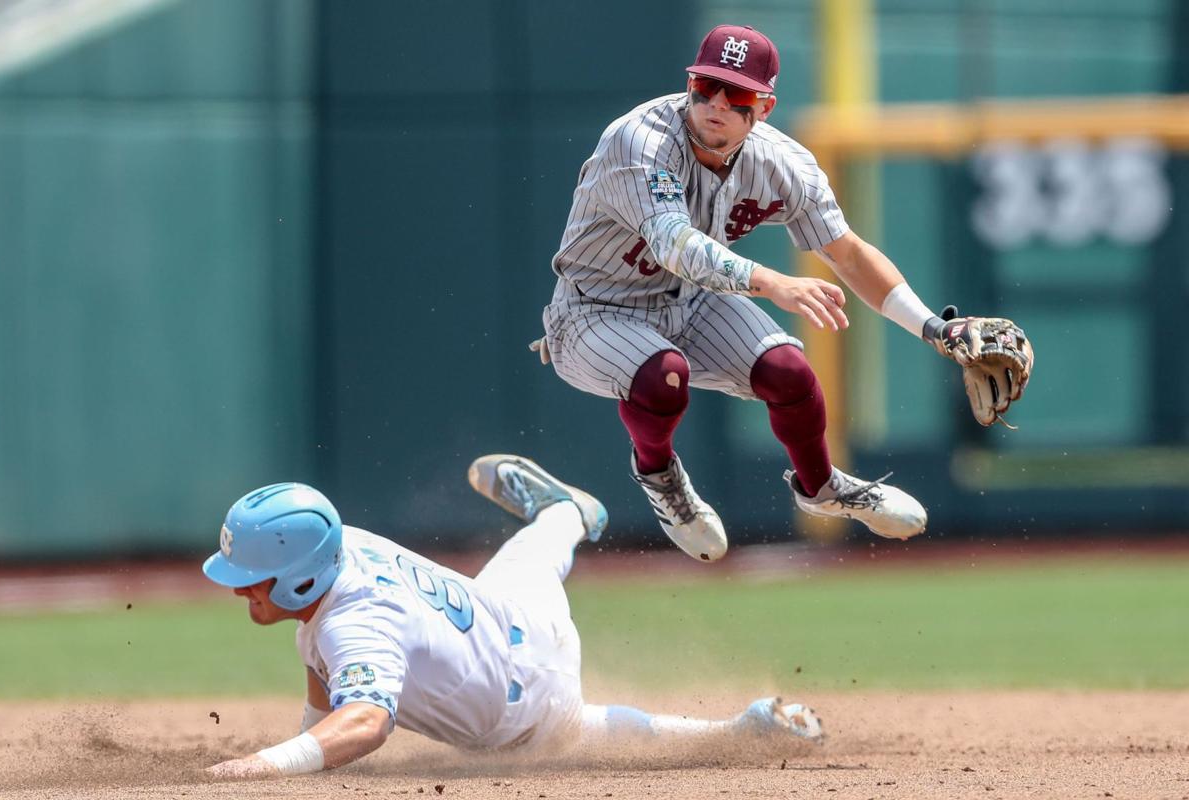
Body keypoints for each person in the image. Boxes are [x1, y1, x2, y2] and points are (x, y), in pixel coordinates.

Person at [537, 23, 948, 562]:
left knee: (788, 371)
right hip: (593, 309)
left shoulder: (784, 165)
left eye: (738, 94)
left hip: (689, 298)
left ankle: (822, 488)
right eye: (705, 87)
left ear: (765, 107)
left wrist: (934, 327)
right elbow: (675, 245)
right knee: (665, 378)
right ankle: (660, 476)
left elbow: (846, 253)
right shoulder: (639, 140)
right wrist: (772, 281)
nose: (716, 104)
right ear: (689, 85)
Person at [202, 455, 823, 780]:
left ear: (299, 574)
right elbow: (327, 681)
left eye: (248, 578)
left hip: (526, 707)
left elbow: (364, 722)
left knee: (565, 731)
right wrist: (306, 752)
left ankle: (736, 735)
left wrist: (268, 765)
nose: (236, 590)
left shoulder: (351, 624)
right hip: (514, 617)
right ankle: (567, 514)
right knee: (529, 556)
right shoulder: (345, 546)